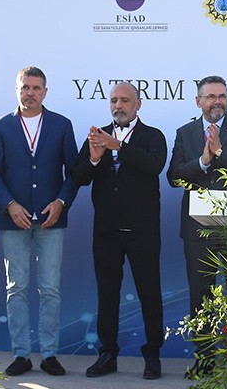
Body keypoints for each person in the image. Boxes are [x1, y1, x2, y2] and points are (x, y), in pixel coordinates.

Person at [0, 66, 78, 377]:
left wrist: (61, 202)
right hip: (14, 220)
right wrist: (9, 204)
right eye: (25, 87)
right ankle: (21, 354)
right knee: (17, 289)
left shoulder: (62, 125)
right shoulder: (1, 127)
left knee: (50, 289)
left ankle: (49, 354)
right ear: (17, 90)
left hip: (51, 220)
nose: (30, 93)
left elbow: (73, 173)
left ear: (45, 92)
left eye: (36, 88)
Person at [166, 75, 227, 377]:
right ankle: (204, 360)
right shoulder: (185, 133)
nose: (217, 101)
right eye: (211, 96)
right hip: (197, 229)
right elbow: (174, 177)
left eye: (222, 96)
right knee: (201, 295)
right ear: (199, 101)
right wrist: (203, 161)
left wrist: (221, 152)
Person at [73, 82, 166, 380]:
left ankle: (152, 355)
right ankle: (107, 354)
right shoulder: (96, 136)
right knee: (107, 293)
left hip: (143, 230)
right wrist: (94, 157)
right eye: (114, 100)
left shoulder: (153, 136)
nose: (118, 105)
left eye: (125, 100)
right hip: (107, 230)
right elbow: (77, 176)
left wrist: (118, 147)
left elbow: (155, 165)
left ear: (138, 104)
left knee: (149, 293)